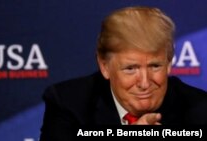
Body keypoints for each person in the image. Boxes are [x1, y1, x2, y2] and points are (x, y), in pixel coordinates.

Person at [39, 6, 207, 140]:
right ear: (104, 66)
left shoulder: (200, 109)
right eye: (130, 68)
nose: (144, 83)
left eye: (155, 66)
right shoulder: (69, 104)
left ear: (169, 63)